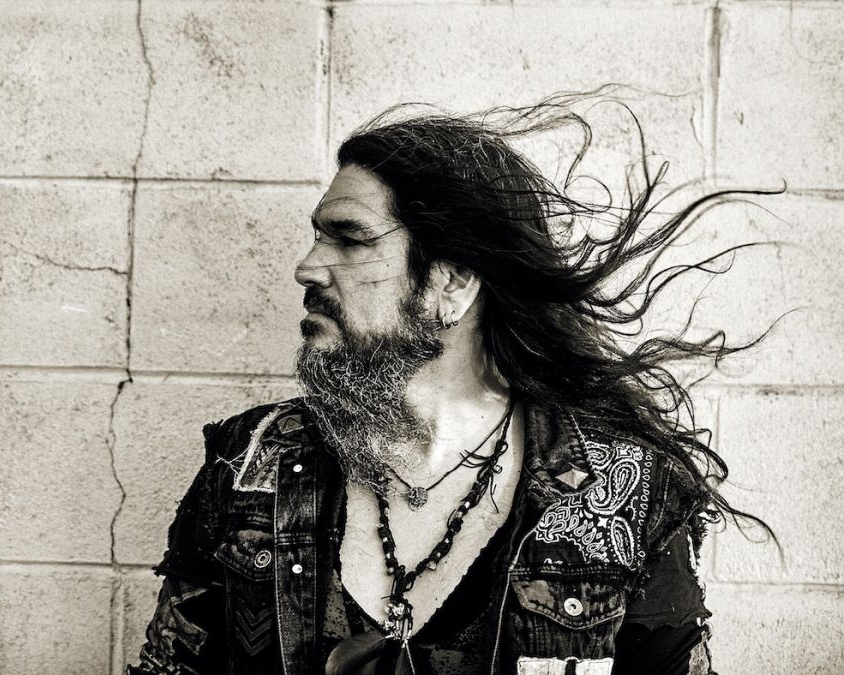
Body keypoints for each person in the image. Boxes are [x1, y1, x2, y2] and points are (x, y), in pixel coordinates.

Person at [128, 100, 773, 675]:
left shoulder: (623, 492)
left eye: (348, 238)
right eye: (317, 236)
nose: (307, 267)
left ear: (454, 281)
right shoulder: (250, 463)